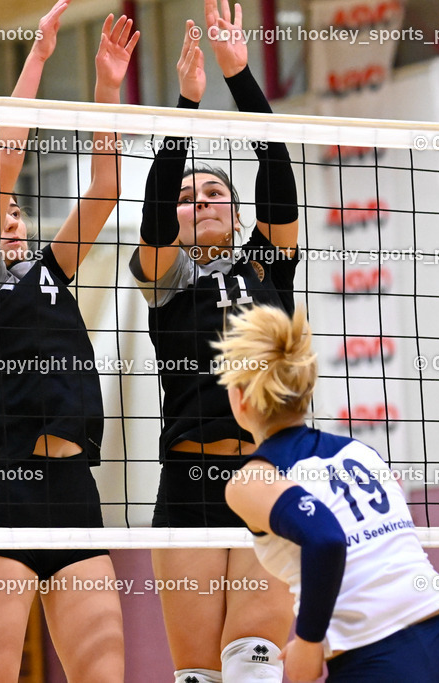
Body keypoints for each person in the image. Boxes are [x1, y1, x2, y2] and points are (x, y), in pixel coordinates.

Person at [0, 2, 137, 680]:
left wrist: (107, 86)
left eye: (16, 213)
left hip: (78, 494)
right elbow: (5, 159)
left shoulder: (50, 269)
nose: (12, 220)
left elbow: (105, 190)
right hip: (10, 496)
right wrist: (39, 58)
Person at [133, 2, 300, 681]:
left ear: (235, 213)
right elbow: (150, 216)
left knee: (255, 662)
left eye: (213, 192)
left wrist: (237, 71)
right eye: (188, 194)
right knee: (199, 673)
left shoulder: (269, 264)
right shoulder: (164, 276)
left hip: (263, 469)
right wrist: (184, 106)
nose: (200, 200)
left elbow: (278, 169)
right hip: (187, 480)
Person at [215, 304, 439, 683]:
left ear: (240, 398)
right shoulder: (361, 454)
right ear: (307, 388)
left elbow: (326, 538)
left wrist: (308, 642)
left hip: (380, 666)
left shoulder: (251, 481)